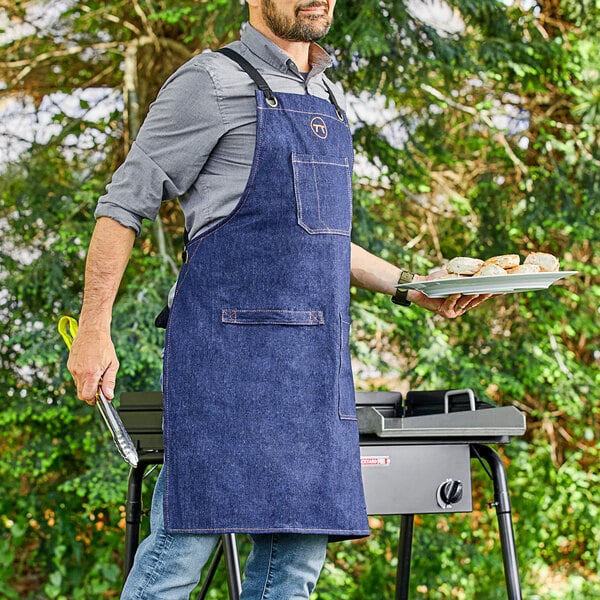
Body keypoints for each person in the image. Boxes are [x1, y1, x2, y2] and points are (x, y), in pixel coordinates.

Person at [67, 1, 488, 598]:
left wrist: (409, 286)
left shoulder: (327, 96)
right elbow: (123, 203)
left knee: (291, 576)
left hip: (312, 374)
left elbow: (318, 237)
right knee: (176, 559)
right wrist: (93, 327)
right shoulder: (209, 81)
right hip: (226, 370)